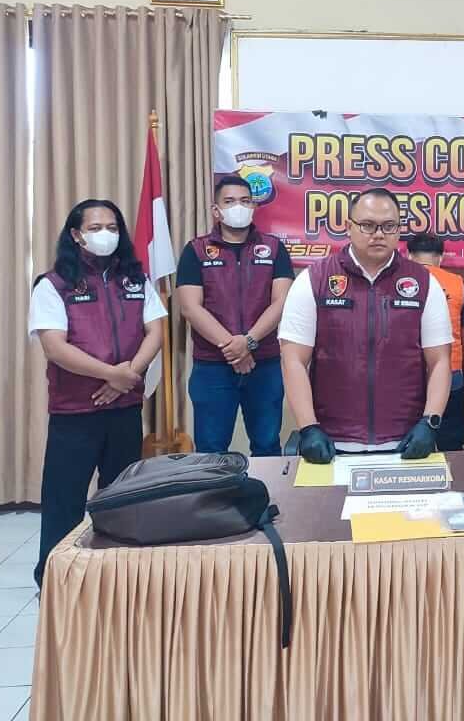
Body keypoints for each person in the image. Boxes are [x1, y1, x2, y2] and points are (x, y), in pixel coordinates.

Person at [29, 199, 166, 586]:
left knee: (121, 496)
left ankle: (116, 575)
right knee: (64, 499)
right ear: (76, 234)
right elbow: (55, 347)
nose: (106, 234)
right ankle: (55, 580)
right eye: (95, 228)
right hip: (75, 411)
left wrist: (128, 375)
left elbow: (156, 331)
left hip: (124, 408)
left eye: (112, 227)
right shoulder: (53, 283)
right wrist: (111, 375)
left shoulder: (135, 279)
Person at [279, 188, 452, 462]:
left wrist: (430, 422)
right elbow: (293, 360)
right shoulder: (314, 279)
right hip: (331, 445)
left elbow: (440, 360)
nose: (379, 234)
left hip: (406, 444)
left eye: (388, 226)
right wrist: (308, 427)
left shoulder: (424, 283)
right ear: (349, 227)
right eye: (368, 225)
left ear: (399, 229)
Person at [176, 176, 293, 456]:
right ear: (216, 210)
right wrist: (233, 348)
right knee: (211, 450)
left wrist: (248, 342)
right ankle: (216, 491)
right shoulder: (196, 250)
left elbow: (282, 302)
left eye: (244, 201)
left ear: (254, 207)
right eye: (229, 201)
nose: (238, 207)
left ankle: (265, 489)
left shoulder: (274, 248)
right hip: (212, 366)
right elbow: (191, 307)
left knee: (267, 445)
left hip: (264, 364)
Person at [406, 232, 464, 451]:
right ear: (441, 257)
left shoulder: (399, 284)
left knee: (407, 442)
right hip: (450, 375)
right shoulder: (458, 284)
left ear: (409, 255)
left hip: (407, 377)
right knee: (451, 443)